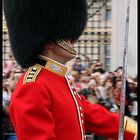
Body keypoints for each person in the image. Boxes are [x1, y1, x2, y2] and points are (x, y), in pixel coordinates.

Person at [4, 0, 137, 140]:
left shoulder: (59, 80)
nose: (74, 39)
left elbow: (95, 116)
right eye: (67, 34)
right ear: (49, 40)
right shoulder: (32, 85)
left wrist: (133, 130)